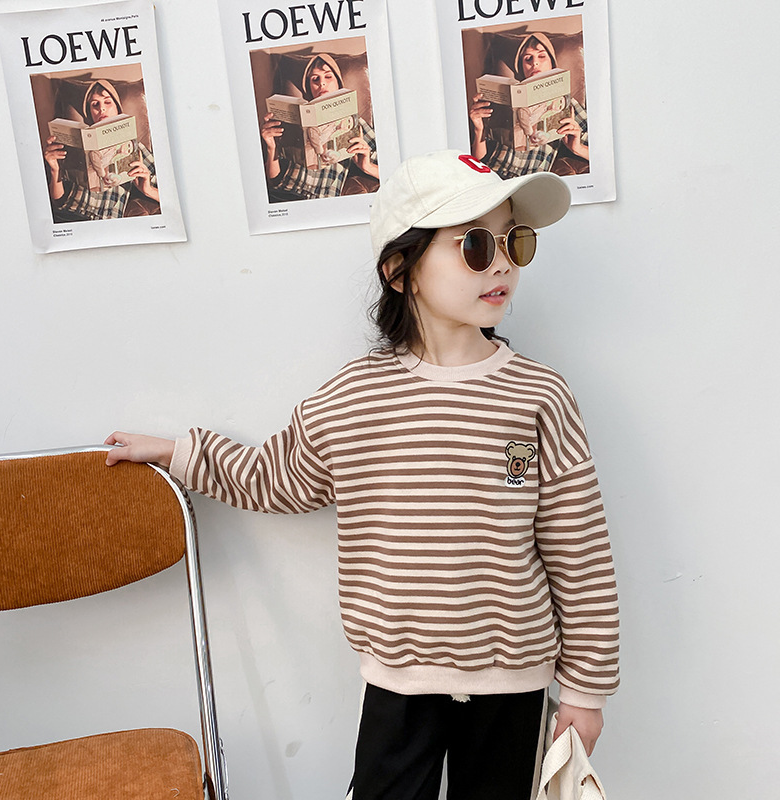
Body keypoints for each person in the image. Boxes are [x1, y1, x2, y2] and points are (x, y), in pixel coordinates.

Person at [105, 150, 619, 800]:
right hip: (398, 681)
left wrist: (585, 690)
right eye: (475, 245)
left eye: (514, 241)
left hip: (513, 682)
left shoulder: (538, 396)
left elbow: (579, 551)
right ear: (400, 272)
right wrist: (177, 453)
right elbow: (276, 478)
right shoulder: (356, 397)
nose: (501, 264)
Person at [470, 32, 589, 177]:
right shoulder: (503, 98)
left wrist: (577, 148)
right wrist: (479, 129)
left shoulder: (566, 102)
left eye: (542, 56)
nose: (535, 63)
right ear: (522, 67)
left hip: (531, 179)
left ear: (552, 64)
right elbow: (479, 160)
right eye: (528, 58)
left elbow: (602, 154)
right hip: (495, 174)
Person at [260, 53, 379, 199]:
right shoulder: (293, 120)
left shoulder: (354, 121)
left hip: (321, 199)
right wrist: (271, 148)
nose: (321, 83)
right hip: (284, 195)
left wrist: (367, 166)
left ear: (338, 84)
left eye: (328, 76)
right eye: (315, 79)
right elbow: (274, 180)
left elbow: (392, 172)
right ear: (309, 87)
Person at [43, 79, 160, 220]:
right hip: (69, 216)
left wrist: (148, 190)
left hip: (104, 221)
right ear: (90, 113)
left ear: (118, 109)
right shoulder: (74, 144)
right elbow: (59, 201)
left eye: (107, 102)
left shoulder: (134, 145)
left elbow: (170, 196)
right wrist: (55, 170)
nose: (101, 109)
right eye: (95, 104)